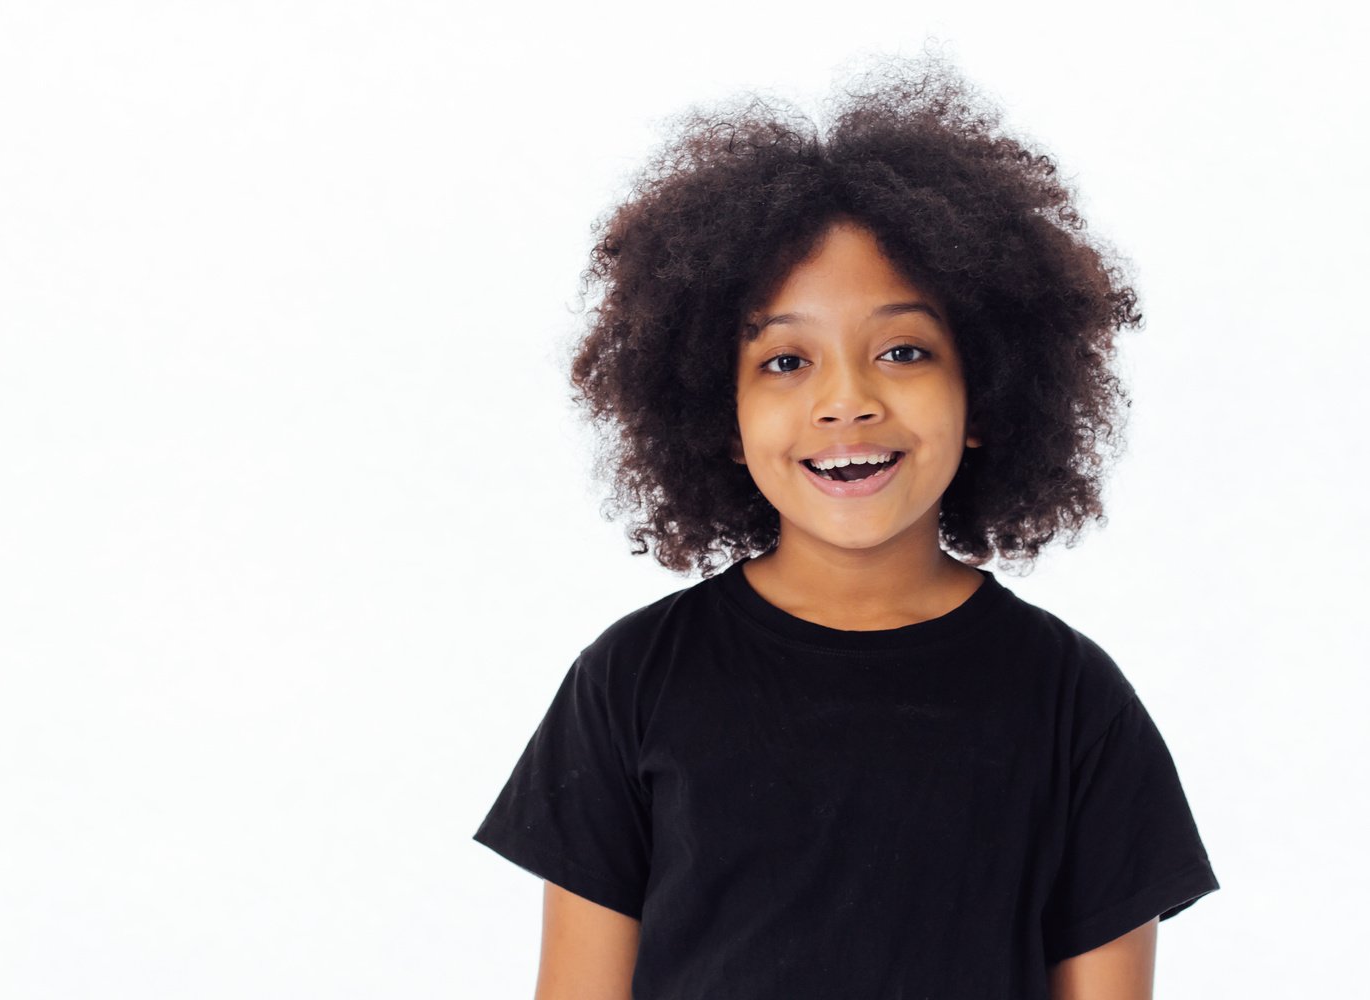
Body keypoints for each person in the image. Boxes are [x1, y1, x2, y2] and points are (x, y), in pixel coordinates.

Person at [471, 51, 1220, 1000]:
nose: (847, 401)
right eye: (786, 361)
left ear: (985, 390)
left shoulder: (1074, 704)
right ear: (720, 417)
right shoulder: (631, 683)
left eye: (902, 351)